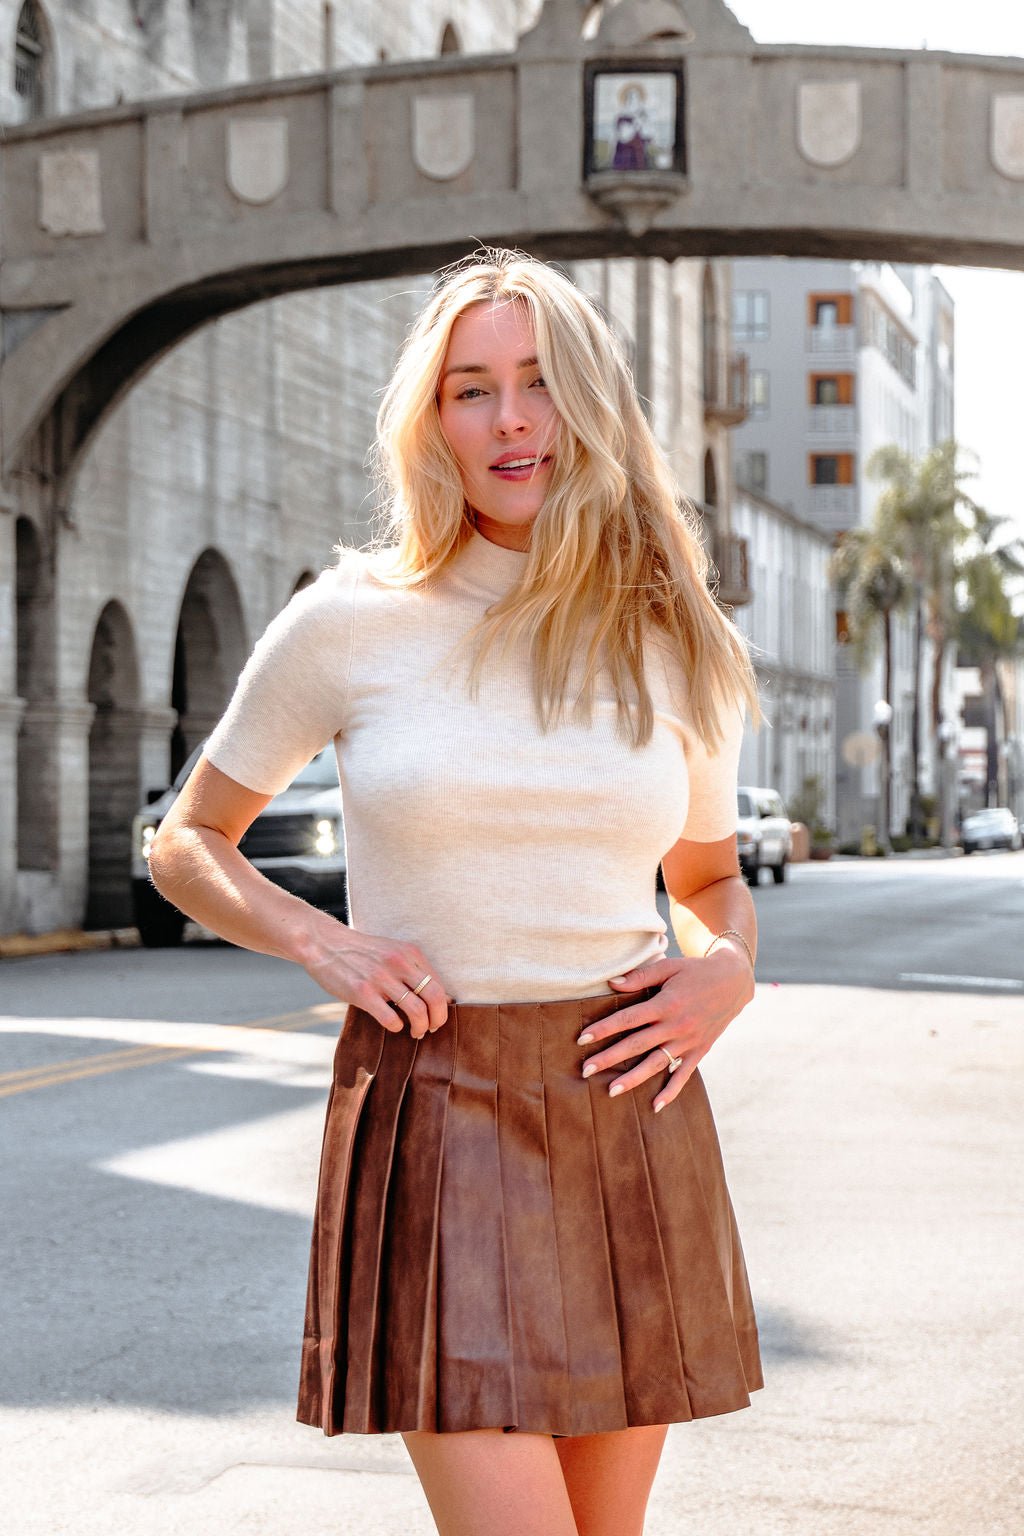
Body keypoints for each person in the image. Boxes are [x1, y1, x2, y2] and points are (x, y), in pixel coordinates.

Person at [149, 248, 763, 1536]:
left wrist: (724, 972)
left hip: (624, 1107)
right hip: (435, 1101)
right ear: (431, 418)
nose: (510, 420)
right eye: (470, 389)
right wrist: (325, 945)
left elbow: (706, 875)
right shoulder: (351, 620)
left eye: (537, 383)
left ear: (587, 403)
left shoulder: (669, 630)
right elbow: (187, 840)